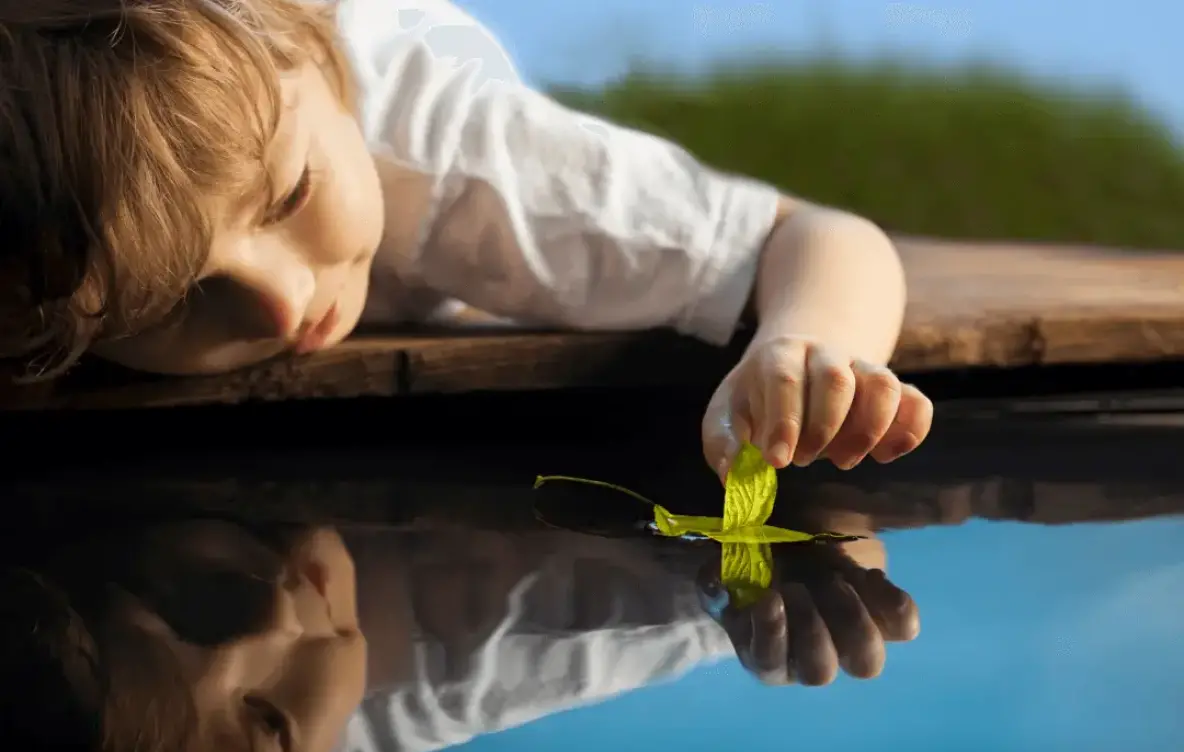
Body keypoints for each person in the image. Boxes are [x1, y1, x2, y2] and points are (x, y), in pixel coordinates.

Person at [0, 0, 932, 478]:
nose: (282, 300)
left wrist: (810, 348)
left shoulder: (465, 167)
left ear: (318, 57)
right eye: (170, 297)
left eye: (288, 195)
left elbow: (811, 235)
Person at [0, 504, 920, 752]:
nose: (275, 622)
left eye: (181, 601)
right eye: (271, 721)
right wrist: (798, 567)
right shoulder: (441, 669)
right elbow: (814, 549)